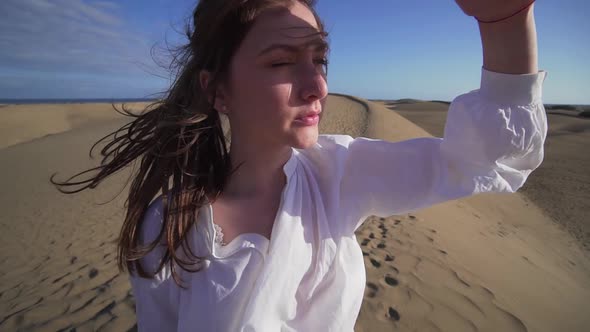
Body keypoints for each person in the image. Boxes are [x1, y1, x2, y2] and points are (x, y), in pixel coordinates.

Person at [51, 0, 547, 331]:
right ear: (215, 89)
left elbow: (484, 158)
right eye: (281, 62)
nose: (317, 86)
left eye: (320, 59)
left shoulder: (338, 173)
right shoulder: (166, 224)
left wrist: (503, 19)